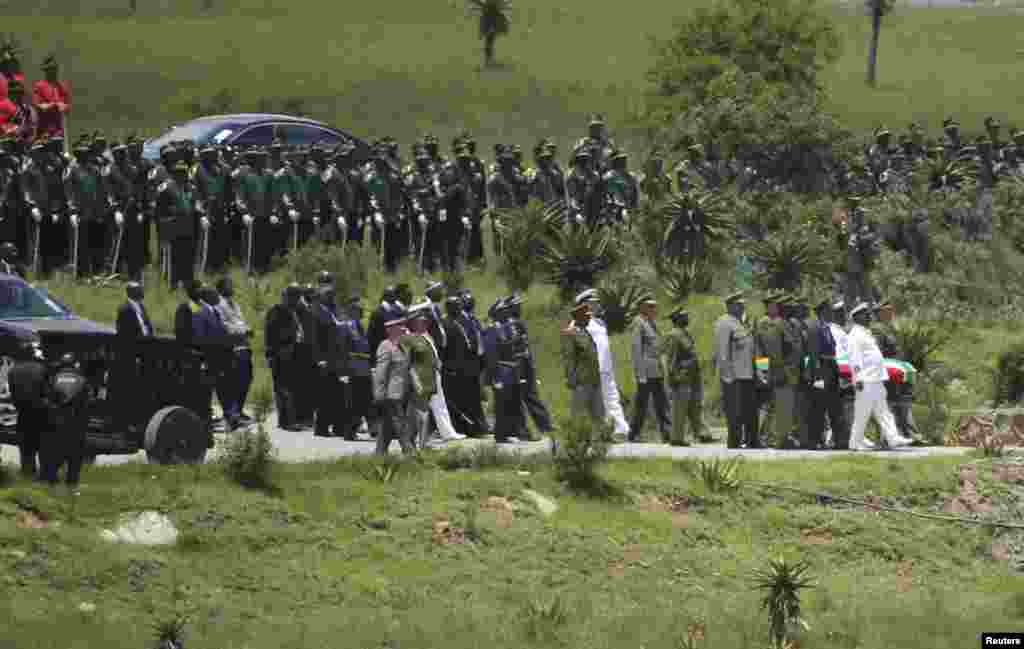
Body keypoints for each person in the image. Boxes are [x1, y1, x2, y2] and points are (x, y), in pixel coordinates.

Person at [846, 302, 911, 451]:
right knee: (862, 414)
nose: (869, 316)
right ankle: (854, 444)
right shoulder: (855, 335)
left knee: (883, 411)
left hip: (876, 379)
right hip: (866, 380)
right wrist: (858, 379)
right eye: (865, 314)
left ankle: (893, 438)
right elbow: (854, 359)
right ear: (858, 317)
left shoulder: (865, 332)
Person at [403, 302, 464, 446]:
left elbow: (434, 349)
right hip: (421, 376)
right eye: (421, 319)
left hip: (432, 374)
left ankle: (447, 432)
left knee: (438, 404)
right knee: (418, 409)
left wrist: (437, 363)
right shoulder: (410, 336)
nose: (425, 321)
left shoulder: (425, 334)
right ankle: (414, 439)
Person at [573, 289, 630, 439]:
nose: (598, 305)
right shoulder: (578, 323)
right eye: (594, 303)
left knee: (613, 398)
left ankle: (621, 430)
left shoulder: (600, 322)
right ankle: (589, 433)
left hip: (606, 368)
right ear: (585, 304)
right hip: (591, 370)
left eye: (597, 303)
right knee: (594, 403)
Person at [712, 292, 757, 448]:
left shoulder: (740, 323)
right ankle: (734, 442)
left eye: (743, 305)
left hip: (748, 374)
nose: (742, 307)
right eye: (739, 305)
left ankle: (751, 440)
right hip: (734, 376)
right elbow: (722, 353)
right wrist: (727, 376)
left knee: (749, 410)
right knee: (734, 412)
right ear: (730, 306)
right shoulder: (724, 323)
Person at [441, 295, 487, 437]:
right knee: (459, 401)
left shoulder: (466, 320)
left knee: (473, 399)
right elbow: (443, 348)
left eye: (460, 305)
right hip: (454, 369)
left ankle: (477, 427)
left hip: (470, 367)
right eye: (456, 305)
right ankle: (463, 428)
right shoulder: (444, 323)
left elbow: (474, 341)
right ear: (449, 308)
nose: (459, 307)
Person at [213, 276, 254, 426]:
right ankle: (231, 414)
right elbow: (225, 326)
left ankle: (238, 410)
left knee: (246, 379)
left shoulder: (235, 304)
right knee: (232, 382)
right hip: (231, 347)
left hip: (244, 346)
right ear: (221, 288)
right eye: (229, 285)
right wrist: (243, 331)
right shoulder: (218, 305)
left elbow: (239, 321)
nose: (232, 288)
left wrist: (245, 329)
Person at [807, 299, 847, 450]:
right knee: (818, 407)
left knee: (835, 406)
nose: (832, 313)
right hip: (822, 370)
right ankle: (815, 441)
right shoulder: (815, 327)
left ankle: (839, 441)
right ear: (823, 311)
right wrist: (817, 375)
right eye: (829, 311)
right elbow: (813, 353)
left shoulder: (826, 327)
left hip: (831, 368)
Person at [373, 310, 415, 455]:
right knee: (400, 423)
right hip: (391, 393)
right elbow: (381, 372)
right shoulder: (385, 346)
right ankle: (409, 452)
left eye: (403, 324)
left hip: (403, 392)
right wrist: (379, 393)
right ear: (390, 329)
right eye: (399, 326)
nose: (403, 328)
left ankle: (379, 453)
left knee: (387, 425)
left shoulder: (404, 345)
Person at [660, 307, 704, 446]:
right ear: (678, 319)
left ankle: (701, 434)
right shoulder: (674, 335)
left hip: (691, 376)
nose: (687, 318)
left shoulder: (685, 333)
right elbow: (671, 358)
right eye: (684, 316)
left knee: (692, 407)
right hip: (681, 377)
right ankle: (677, 438)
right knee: (679, 409)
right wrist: (673, 377)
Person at [265, 284, 306, 432]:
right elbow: (270, 334)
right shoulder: (276, 311)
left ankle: (287, 420)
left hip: (291, 354)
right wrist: (270, 354)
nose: (297, 300)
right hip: (280, 354)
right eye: (295, 296)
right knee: (283, 389)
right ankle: (287, 421)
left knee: (289, 388)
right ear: (288, 296)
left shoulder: (293, 311)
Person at [630, 296, 670, 442]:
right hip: (646, 372)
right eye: (650, 306)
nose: (654, 309)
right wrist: (640, 373)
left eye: (654, 306)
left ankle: (667, 433)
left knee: (662, 403)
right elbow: (636, 349)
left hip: (656, 370)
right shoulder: (638, 323)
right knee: (642, 404)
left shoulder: (651, 323)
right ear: (642, 307)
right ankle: (634, 433)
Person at [561, 300, 605, 428]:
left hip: (594, 377)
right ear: (579, 317)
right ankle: (576, 440)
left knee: (598, 412)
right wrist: (570, 377)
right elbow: (568, 358)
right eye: (587, 316)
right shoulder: (571, 333)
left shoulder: (587, 331)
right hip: (581, 379)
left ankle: (600, 437)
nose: (589, 318)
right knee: (578, 414)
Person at [340, 293, 373, 440]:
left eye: (361, 311)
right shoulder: (346, 326)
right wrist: (344, 370)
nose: (360, 313)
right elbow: (343, 349)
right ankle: (349, 431)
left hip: (364, 369)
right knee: (353, 402)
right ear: (351, 311)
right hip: (353, 369)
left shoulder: (360, 326)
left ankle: (363, 427)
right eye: (357, 310)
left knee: (364, 400)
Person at [32, 55, 71, 140]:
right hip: (44, 129)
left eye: (54, 69)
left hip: (59, 129)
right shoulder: (39, 86)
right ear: (45, 71)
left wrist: (65, 106)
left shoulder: (63, 86)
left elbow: (67, 106)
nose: (53, 71)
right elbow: (38, 106)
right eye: (50, 69)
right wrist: (54, 104)